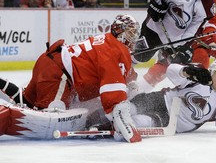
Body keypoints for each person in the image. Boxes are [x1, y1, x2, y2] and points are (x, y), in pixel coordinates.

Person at [0, 14, 142, 143]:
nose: (133, 37)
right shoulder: (115, 50)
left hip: (49, 63)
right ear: (119, 30)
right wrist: (118, 119)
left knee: (27, 101)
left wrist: (130, 78)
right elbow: (112, 90)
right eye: (130, 32)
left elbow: (111, 73)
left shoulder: (108, 42)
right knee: (50, 112)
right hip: (59, 74)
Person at [133, 0, 216, 92]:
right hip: (155, 27)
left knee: (178, 67)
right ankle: (120, 82)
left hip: (175, 39)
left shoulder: (209, 3)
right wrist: (155, 3)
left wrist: (183, 43)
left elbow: (196, 26)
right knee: (139, 56)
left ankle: (188, 94)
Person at [129, 58, 216, 135]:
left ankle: (120, 125)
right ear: (210, 72)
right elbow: (171, 70)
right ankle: (113, 115)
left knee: (141, 122)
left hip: (170, 121)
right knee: (130, 108)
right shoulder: (198, 78)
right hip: (161, 99)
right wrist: (189, 71)